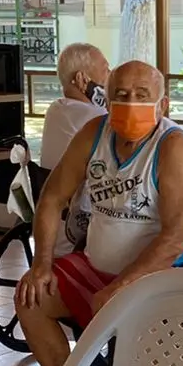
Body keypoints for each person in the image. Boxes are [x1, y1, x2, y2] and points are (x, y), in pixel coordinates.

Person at [15, 61, 183, 366]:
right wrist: (41, 264)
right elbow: (51, 198)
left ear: (163, 104)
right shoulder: (94, 133)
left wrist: (121, 286)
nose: (130, 103)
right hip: (97, 266)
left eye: (142, 96)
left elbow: (176, 236)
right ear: (107, 99)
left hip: (164, 273)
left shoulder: (173, 146)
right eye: (121, 95)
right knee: (30, 298)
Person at [41, 42, 111, 256]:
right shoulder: (94, 117)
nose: (109, 77)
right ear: (82, 79)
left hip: (58, 231)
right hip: (82, 232)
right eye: (106, 70)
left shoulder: (56, 109)